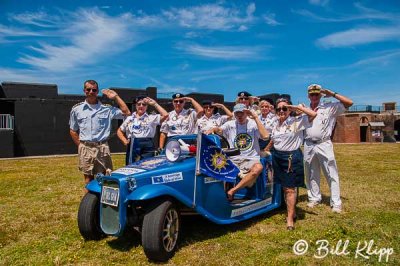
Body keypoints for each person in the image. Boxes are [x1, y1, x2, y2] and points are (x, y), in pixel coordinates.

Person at [69, 80, 131, 187]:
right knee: (88, 179)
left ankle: (103, 201)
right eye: (88, 89)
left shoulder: (107, 109)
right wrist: (81, 146)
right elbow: (73, 130)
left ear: (97, 91)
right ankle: (89, 202)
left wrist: (116, 97)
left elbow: (127, 112)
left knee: (105, 177)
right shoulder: (77, 109)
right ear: (84, 91)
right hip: (85, 147)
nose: (91, 92)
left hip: (102, 147)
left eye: (94, 90)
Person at [304, 84, 353, 213]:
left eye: (316, 94)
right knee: (311, 173)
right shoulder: (304, 109)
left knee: (331, 173)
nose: (314, 96)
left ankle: (336, 202)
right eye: (312, 94)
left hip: (323, 143)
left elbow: (349, 103)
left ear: (320, 95)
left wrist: (332, 93)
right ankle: (314, 198)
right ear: (308, 96)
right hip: (308, 144)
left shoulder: (329, 107)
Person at [206, 103, 269, 201]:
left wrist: (256, 117)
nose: (239, 115)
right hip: (233, 159)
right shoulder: (230, 124)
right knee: (214, 165)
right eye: (237, 113)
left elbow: (265, 136)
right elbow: (219, 130)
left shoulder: (253, 123)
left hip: (250, 159)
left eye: (242, 113)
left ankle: (233, 190)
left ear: (247, 113)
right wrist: (214, 128)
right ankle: (220, 196)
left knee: (259, 167)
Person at [270, 98, 317, 230]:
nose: (281, 111)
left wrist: (298, 107)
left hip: (291, 157)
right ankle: (293, 211)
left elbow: (313, 115)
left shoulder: (297, 121)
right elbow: (273, 140)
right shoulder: (275, 124)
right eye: (278, 109)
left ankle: (290, 218)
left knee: (290, 188)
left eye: (284, 108)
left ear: (289, 109)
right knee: (284, 187)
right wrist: (267, 150)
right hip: (277, 157)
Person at [117, 96, 168, 164]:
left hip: (148, 143)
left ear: (147, 106)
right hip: (133, 142)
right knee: (131, 165)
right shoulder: (129, 118)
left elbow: (165, 115)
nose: (141, 106)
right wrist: (124, 140)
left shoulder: (151, 117)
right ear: (136, 106)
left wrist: (155, 104)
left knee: (149, 165)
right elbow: (119, 131)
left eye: (144, 104)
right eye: (139, 104)